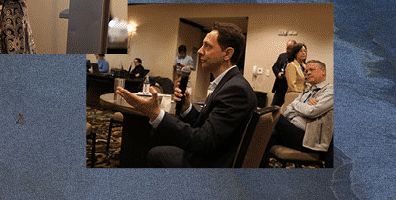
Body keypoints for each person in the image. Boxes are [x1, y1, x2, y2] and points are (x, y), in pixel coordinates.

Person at [114, 23, 255, 167]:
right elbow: (207, 126)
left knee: (155, 151)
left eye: (207, 46)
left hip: (212, 163)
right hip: (212, 153)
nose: (200, 51)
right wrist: (187, 108)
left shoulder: (236, 90)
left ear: (227, 53)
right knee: (157, 140)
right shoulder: (229, 83)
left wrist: (156, 113)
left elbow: (203, 141)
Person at [273, 60, 333, 155]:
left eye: (311, 70)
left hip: (310, 140)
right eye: (306, 71)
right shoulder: (307, 91)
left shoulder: (330, 91)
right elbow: (287, 112)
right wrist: (303, 106)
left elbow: (311, 111)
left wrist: (296, 105)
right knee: (267, 137)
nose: (307, 73)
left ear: (323, 71)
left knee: (274, 116)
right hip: (294, 130)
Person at [270, 41, 301, 107]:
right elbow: (275, 66)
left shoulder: (298, 60)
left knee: (286, 108)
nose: (288, 50)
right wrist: (278, 73)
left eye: (290, 48)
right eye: (287, 47)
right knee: (274, 106)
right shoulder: (282, 56)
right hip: (280, 87)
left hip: (290, 88)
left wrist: (286, 75)